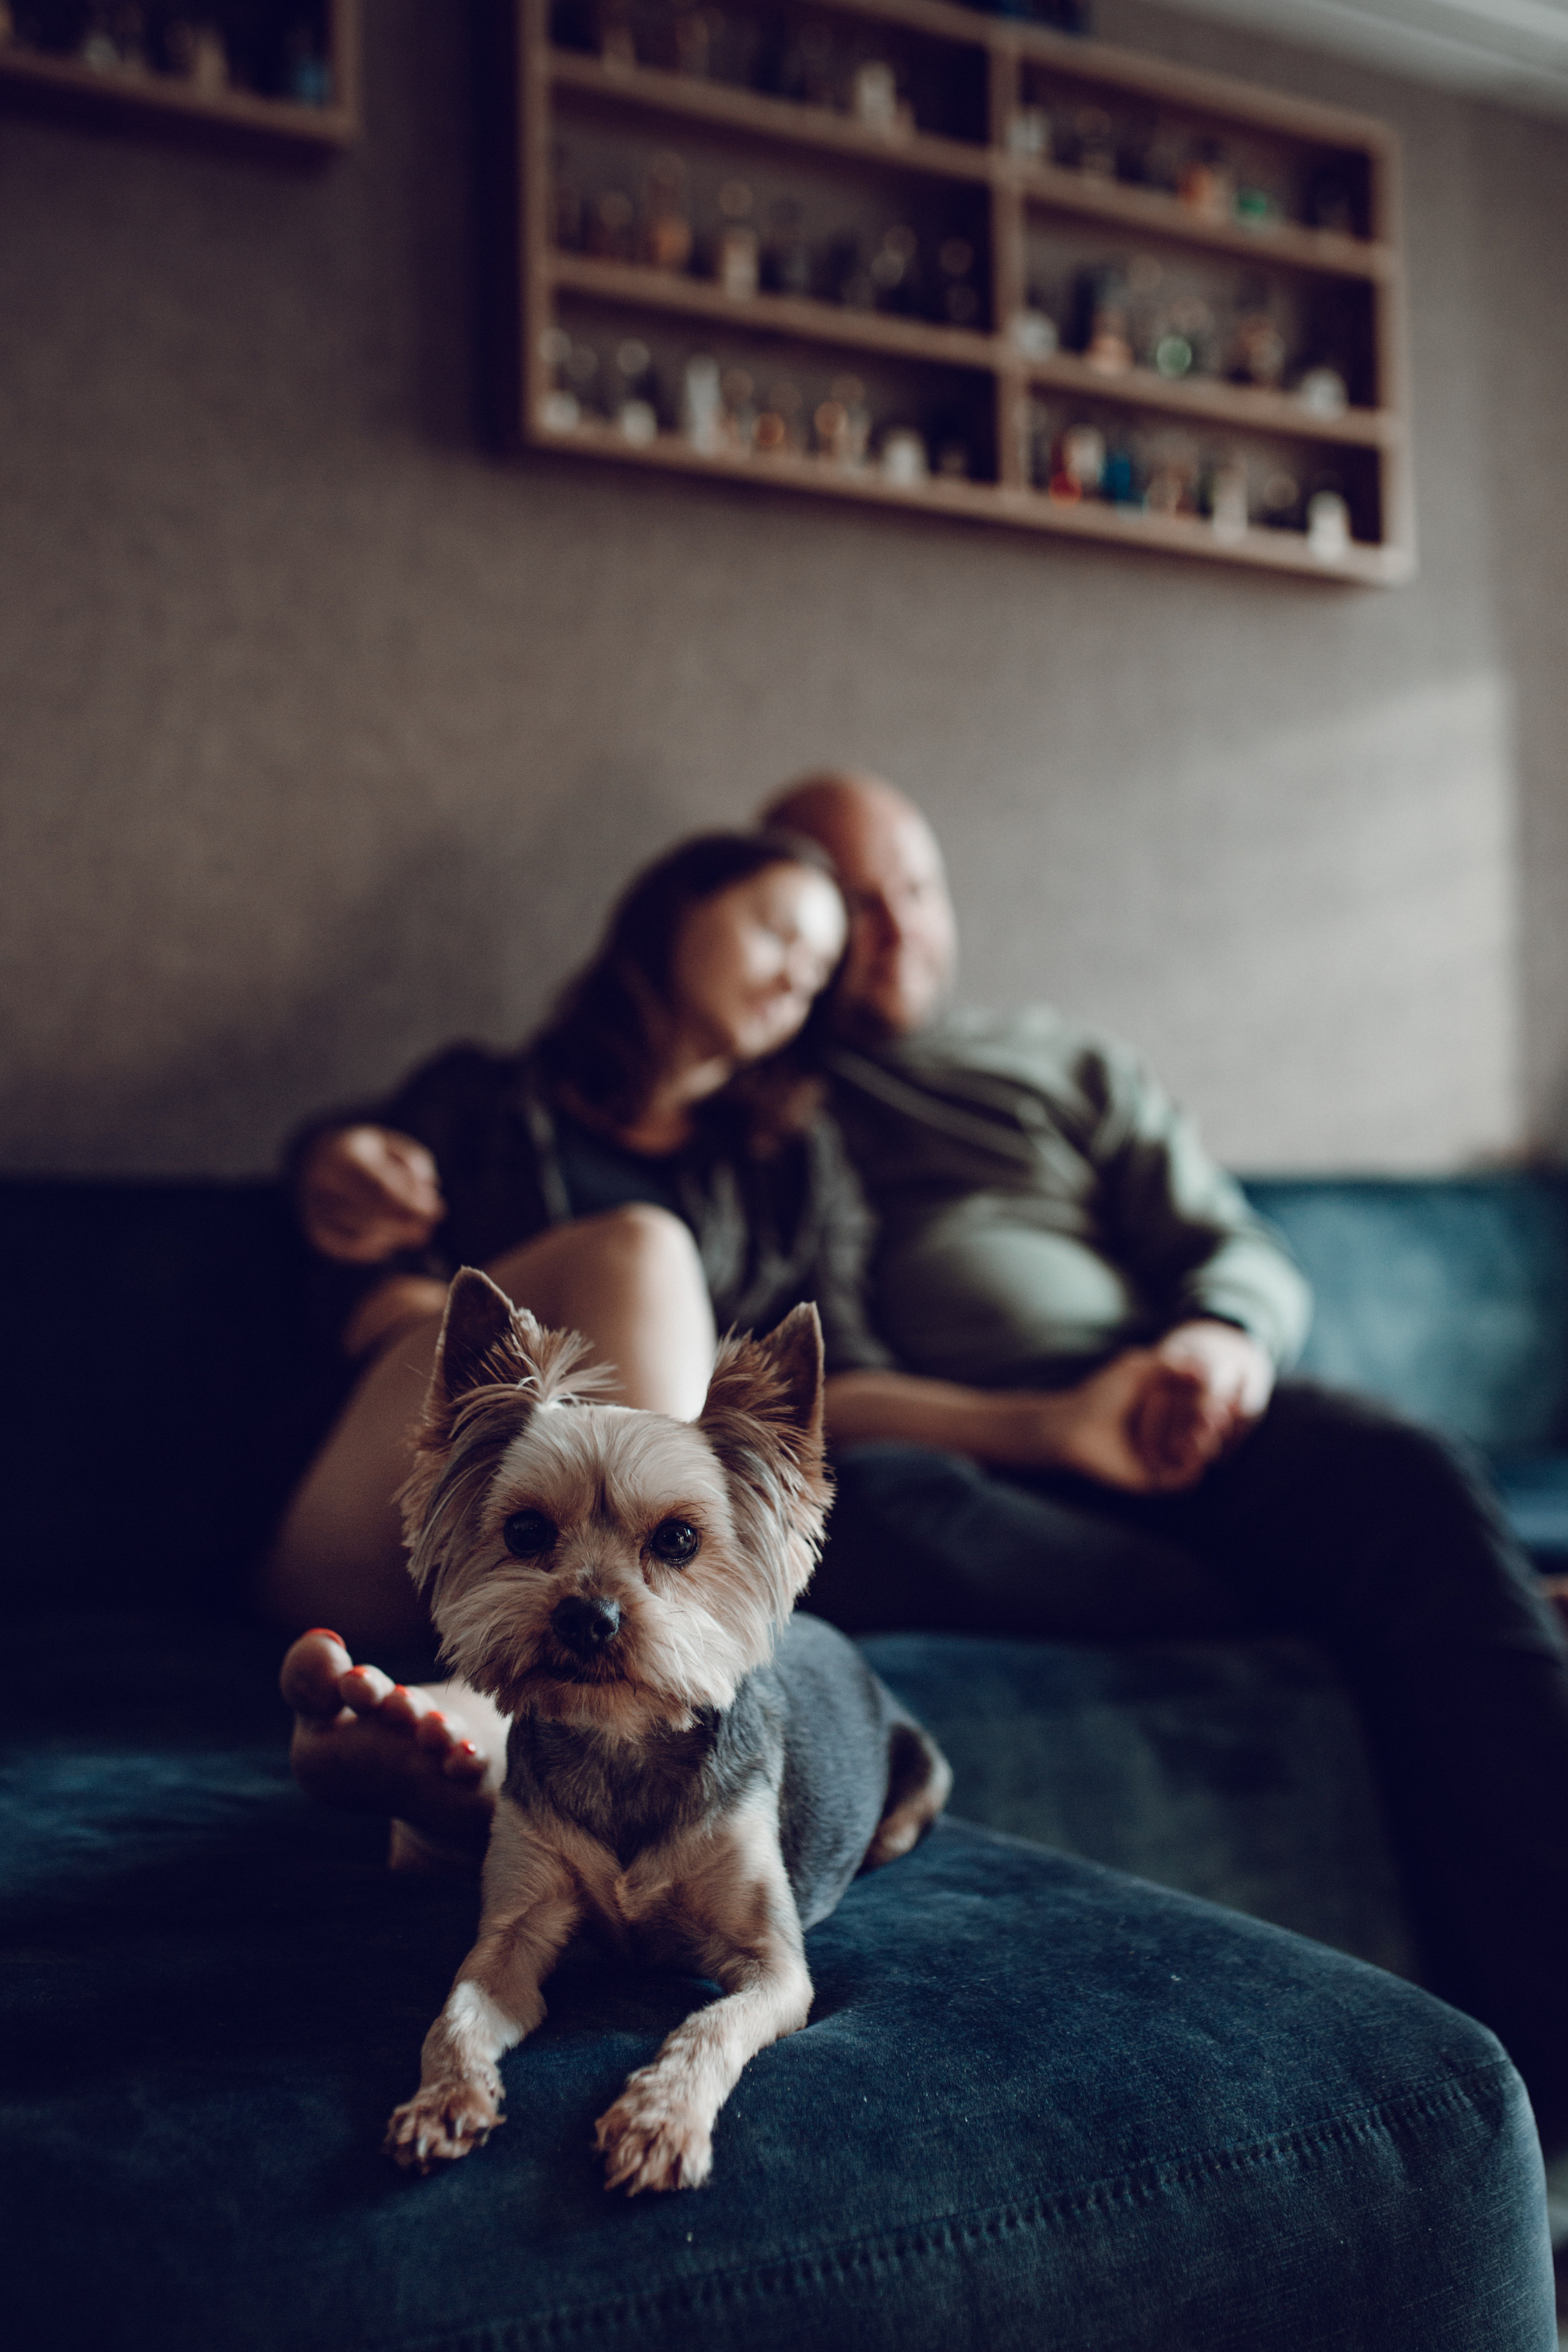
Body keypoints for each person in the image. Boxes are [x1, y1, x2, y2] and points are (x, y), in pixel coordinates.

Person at [761, 768, 1568, 2151]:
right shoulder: (761, 1109)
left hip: (1165, 1410)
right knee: (880, 1516)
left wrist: (1219, 1343)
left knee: (1406, 1476)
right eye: (853, 905)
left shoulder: (1055, 1064)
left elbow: (1229, 1243)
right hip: (977, 1462)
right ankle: (1329, 1601)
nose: (892, 932)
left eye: (915, 892)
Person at [265, 829, 886, 1860]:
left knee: (654, 1273)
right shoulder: (477, 1100)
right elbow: (358, 1300)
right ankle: (522, 1722)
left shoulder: (796, 1169)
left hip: (580, 1594)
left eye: (818, 974)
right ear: (676, 913)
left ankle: (488, 1742)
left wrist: (1050, 1425)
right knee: (641, 1248)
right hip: (384, 1524)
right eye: (779, 935)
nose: (795, 982)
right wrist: (330, 1171)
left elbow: (844, 1376)